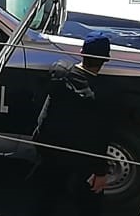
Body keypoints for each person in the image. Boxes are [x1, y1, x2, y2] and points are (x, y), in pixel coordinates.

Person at [29, 32, 111, 216]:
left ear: (81, 52)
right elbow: (101, 136)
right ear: (105, 59)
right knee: (89, 206)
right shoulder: (105, 94)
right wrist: (100, 171)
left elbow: (43, 111)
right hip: (82, 161)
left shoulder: (59, 73)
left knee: (44, 201)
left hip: (51, 152)